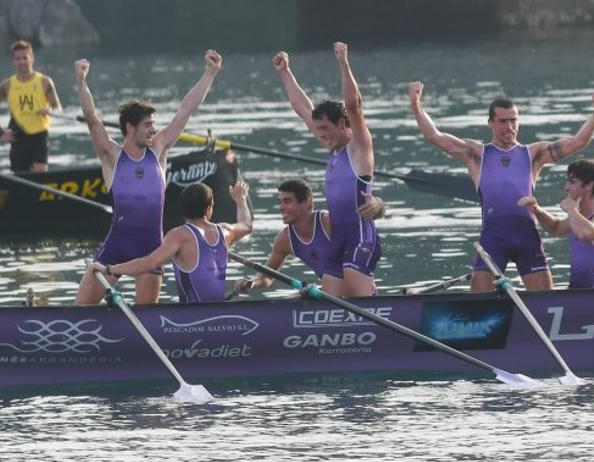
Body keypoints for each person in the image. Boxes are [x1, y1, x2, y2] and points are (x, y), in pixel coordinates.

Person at [409, 82, 594, 292]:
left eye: (513, 120)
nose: (509, 127)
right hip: (493, 238)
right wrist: (415, 104)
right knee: (478, 306)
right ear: (490, 123)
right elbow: (435, 136)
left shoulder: (533, 154)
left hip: (527, 237)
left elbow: (577, 142)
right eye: (503, 121)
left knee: (545, 304)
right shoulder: (477, 154)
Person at [75, 50, 223, 305]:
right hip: (115, 248)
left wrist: (210, 73)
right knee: (79, 313)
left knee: (145, 320)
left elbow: (186, 109)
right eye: (147, 125)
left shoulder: (159, 149)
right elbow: (92, 120)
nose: (154, 130)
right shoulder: (112, 156)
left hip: (151, 251)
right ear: (129, 128)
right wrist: (81, 83)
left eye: (154, 125)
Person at [275, 42, 381, 297]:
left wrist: (343, 62)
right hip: (339, 240)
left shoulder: (358, 147)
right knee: (330, 305)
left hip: (360, 236)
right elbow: (303, 109)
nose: (319, 135)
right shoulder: (331, 147)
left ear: (343, 123)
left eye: (325, 129)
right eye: (317, 129)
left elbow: (354, 105)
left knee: (361, 304)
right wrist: (285, 73)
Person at [89, 182, 252, 303]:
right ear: (209, 209)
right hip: (220, 316)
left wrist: (108, 268)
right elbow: (246, 225)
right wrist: (240, 199)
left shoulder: (179, 236)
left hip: (189, 322)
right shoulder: (225, 232)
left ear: (183, 209)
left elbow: (149, 263)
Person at [233, 178, 385, 295]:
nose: (280, 207)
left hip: (361, 296)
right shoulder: (284, 239)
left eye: (287, 201)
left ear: (306, 203)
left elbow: (370, 219)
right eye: (279, 202)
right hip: (330, 295)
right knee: (295, 298)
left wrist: (377, 205)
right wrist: (251, 282)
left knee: (301, 296)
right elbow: (266, 277)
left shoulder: (329, 222)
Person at [520, 159, 594, 289]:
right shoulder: (579, 217)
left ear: (589, 185)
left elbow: (587, 233)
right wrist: (537, 210)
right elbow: (556, 228)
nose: (566, 187)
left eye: (572, 182)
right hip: (576, 294)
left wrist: (572, 209)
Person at [0, 40, 62, 173]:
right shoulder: (7, 85)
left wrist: (50, 110)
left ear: (32, 58)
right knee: (19, 177)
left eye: (24, 58)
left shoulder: (44, 81)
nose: (21, 62)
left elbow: (58, 108)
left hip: (39, 136)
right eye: (17, 59)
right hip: (17, 137)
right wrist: (0, 132)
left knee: (40, 176)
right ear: (13, 61)